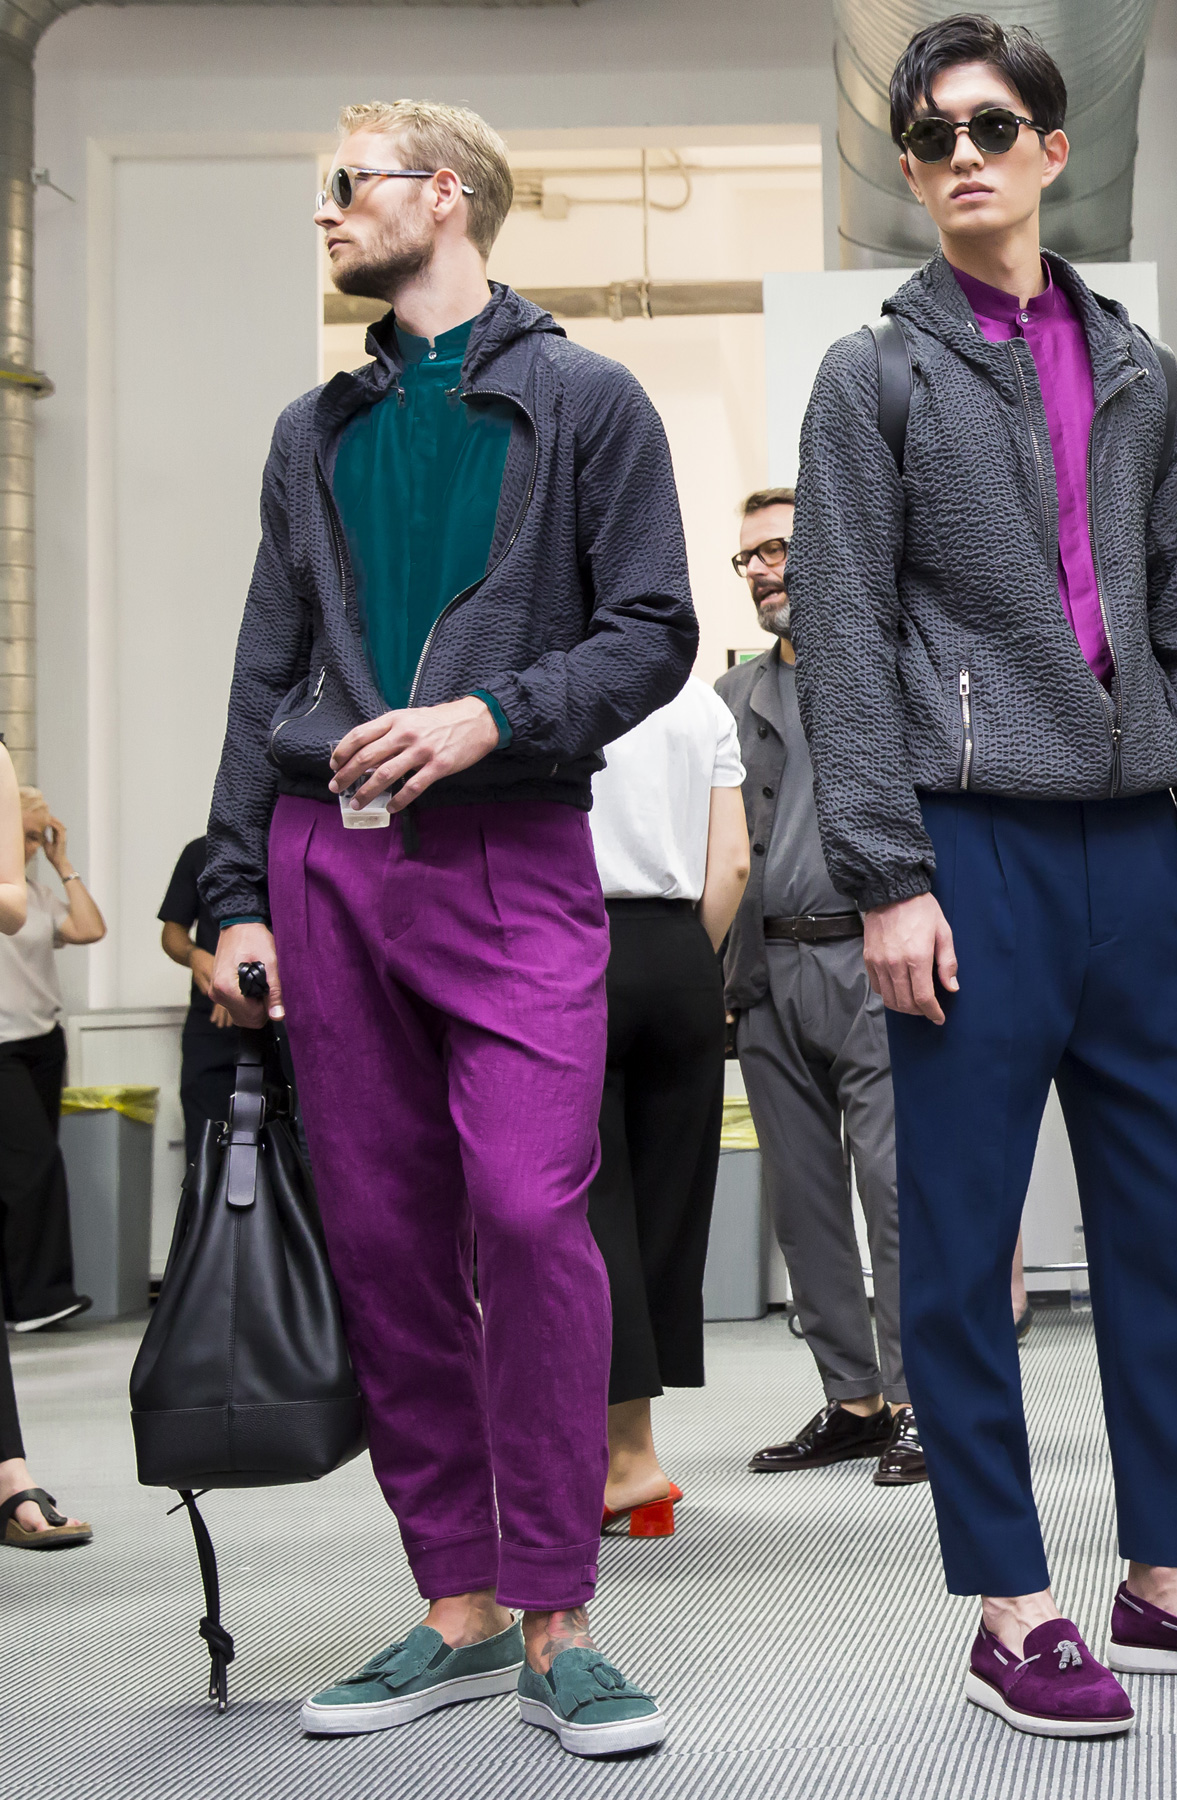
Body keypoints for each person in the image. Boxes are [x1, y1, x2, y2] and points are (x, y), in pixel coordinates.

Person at [785, 15, 1177, 1738]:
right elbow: (847, 643)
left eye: (993, 125)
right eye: (931, 132)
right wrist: (886, 873)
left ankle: (1167, 1578)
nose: (963, 151)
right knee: (959, 1242)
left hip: (1140, 854)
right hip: (967, 850)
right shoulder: (872, 376)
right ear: (912, 167)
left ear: (1049, 149)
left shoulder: (1142, 369)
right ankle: (1011, 1602)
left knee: (1175, 1226)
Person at [205, 99, 691, 1755]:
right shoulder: (312, 430)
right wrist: (227, 892)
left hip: (510, 855)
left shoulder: (583, 402)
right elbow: (264, 669)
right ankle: (461, 1604)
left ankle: (563, 1615)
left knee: (529, 1212)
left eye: (348, 185)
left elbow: (653, 632)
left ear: (452, 197)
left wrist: (494, 713)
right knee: (395, 1239)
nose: (328, 213)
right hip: (327, 867)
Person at [715, 488, 925, 1491]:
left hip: (872, 959)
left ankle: (925, 1400)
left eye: (780, 549)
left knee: (897, 1194)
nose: (763, 569)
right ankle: (855, 1401)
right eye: (748, 557)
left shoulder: (888, 671)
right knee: (802, 1205)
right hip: (764, 974)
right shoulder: (732, 698)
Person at [585, 677, 751, 1537]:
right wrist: (691, 957)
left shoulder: (556, 685)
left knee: (589, 1210)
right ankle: (638, 1457)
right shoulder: (699, 701)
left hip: (573, 946)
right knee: (664, 1212)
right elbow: (732, 864)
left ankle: (612, 1464)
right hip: (684, 952)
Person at [0, 758, 87, 1552]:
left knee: (35, 1171)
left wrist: (53, 855)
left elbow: (25, 908)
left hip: (30, 1040)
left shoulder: (31, 883)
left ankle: (7, 1473)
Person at [0, 787, 106, 1333]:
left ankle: (20, 1300)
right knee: (33, 1165)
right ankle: (41, 1299)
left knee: (23, 1171)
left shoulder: (36, 896)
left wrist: (62, 864)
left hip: (43, 1040)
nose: (33, 843)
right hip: (2, 1048)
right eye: (32, 806)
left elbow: (89, 929)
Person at [156, 837, 245, 1165]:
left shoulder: (291, 843)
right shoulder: (201, 851)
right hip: (212, 1026)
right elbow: (172, 933)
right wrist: (197, 957)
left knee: (291, 1151)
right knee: (206, 1152)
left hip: (282, 1023)